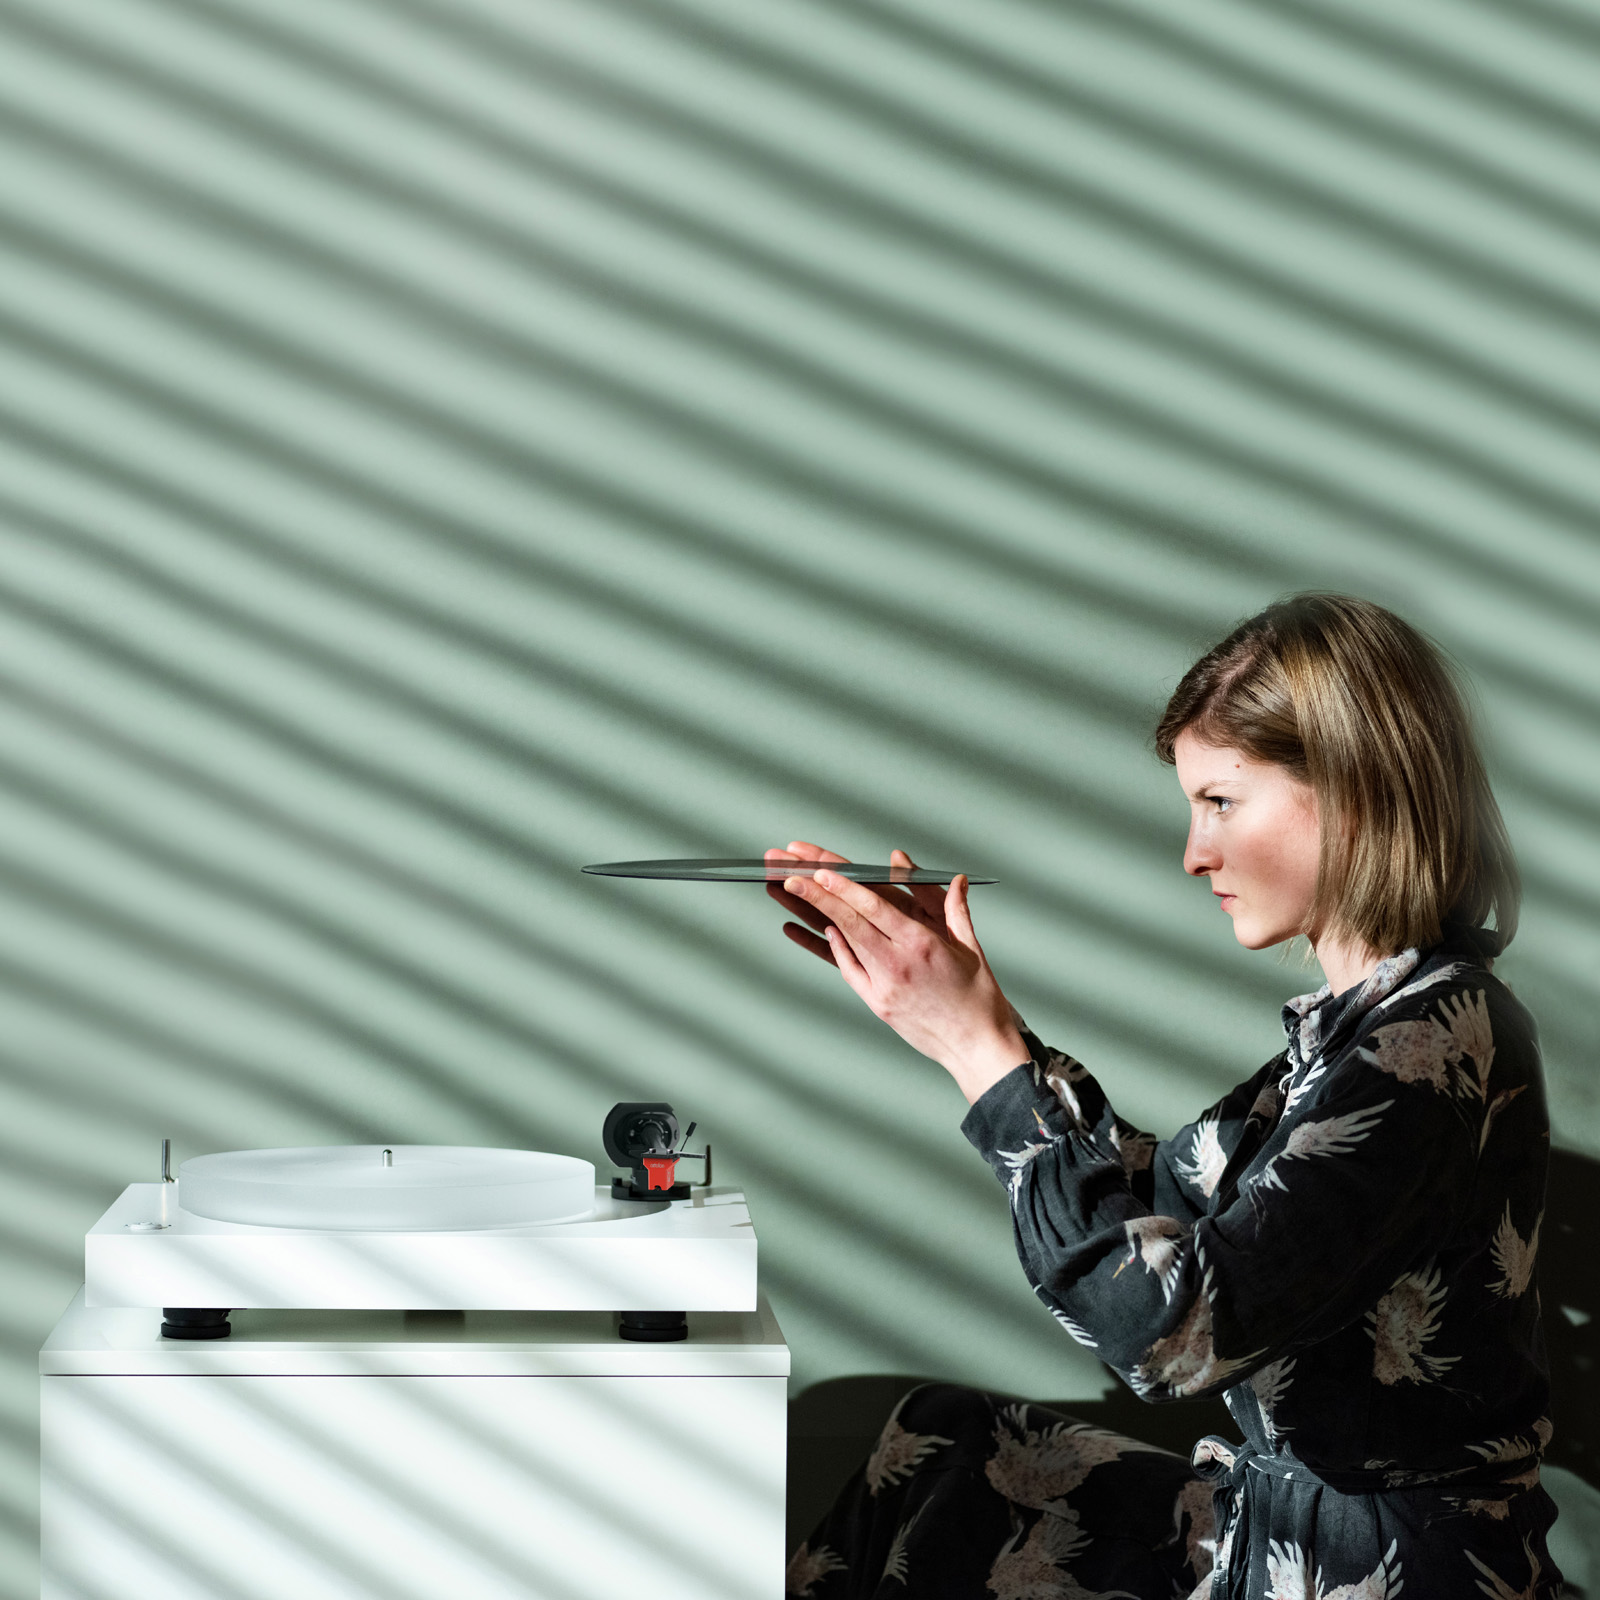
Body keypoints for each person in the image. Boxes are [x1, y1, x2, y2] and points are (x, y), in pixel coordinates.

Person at [768, 595, 1561, 1600]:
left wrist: (983, 1054)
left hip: (1377, 1575)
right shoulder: (1360, 1033)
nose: (1194, 853)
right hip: (1282, 1527)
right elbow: (1167, 1197)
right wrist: (982, 1025)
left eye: (1222, 802)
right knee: (940, 1442)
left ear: (1353, 790)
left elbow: (1163, 1326)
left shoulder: (1432, 1046)